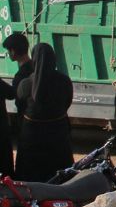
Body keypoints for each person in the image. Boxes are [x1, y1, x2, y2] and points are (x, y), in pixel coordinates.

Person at [13, 42, 73, 181]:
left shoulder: (25, 84)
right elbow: (67, 103)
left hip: (31, 137)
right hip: (58, 134)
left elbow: (20, 105)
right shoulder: (64, 81)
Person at [0, 32, 29, 179]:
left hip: (25, 122)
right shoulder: (35, 68)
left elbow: (13, 94)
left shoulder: (22, 75)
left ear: (13, 51)